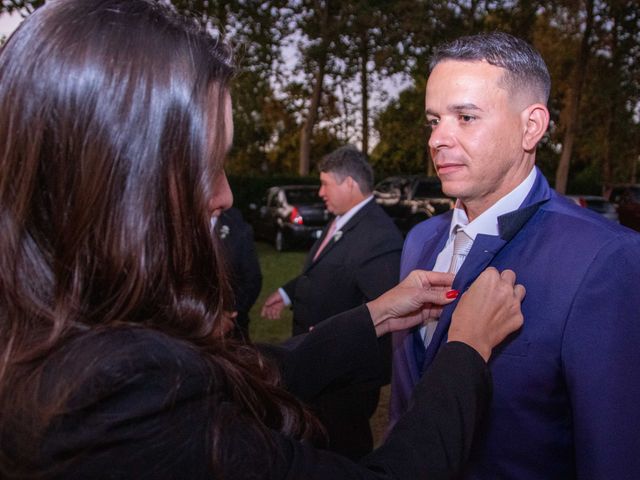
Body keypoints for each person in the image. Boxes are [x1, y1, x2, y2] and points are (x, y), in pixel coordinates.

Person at [0, 2, 525, 478]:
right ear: (117, 185)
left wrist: (380, 313)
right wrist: (465, 349)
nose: (225, 195)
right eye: (206, 166)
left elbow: (246, 375)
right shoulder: (113, 395)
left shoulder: (66, 331)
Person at [390, 31, 640, 479]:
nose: (438, 140)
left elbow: (613, 454)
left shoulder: (605, 258)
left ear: (532, 126)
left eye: (465, 117)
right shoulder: (419, 242)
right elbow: (405, 407)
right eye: (433, 120)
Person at [261, 145, 404, 458]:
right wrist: (285, 293)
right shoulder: (341, 220)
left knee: (341, 452)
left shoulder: (379, 237)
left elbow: (385, 313)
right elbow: (325, 270)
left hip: (342, 384)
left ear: (350, 183)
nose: (321, 192)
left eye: (326, 183)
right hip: (315, 366)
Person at [214, 207, 262, 340]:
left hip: (233, 331)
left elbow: (252, 279)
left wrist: (232, 312)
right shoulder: (178, 222)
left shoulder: (236, 225)